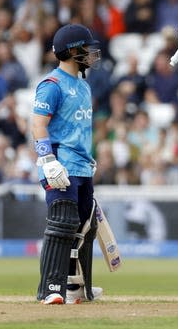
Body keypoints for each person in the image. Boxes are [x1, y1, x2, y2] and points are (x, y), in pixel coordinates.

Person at [32, 23, 103, 305]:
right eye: (86, 48)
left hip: (82, 166)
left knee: (85, 226)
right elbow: (38, 124)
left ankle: (76, 287)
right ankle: (51, 287)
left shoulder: (83, 85)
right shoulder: (52, 84)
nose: (91, 53)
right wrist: (47, 159)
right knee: (63, 223)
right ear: (73, 51)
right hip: (60, 166)